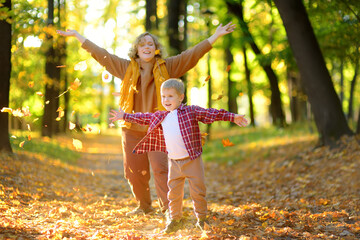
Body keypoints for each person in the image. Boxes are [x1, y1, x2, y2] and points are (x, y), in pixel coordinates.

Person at [56, 22, 236, 217]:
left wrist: (214, 36)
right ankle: (144, 206)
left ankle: (169, 210)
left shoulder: (169, 67)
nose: (147, 47)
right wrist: (77, 36)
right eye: (142, 45)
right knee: (133, 172)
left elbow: (191, 55)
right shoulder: (125, 68)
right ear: (136, 50)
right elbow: (102, 55)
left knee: (161, 170)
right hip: (132, 128)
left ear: (156, 48)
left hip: (160, 129)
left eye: (150, 44)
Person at [109, 79, 248, 233]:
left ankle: (201, 219)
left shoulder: (190, 112)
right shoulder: (160, 116)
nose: (166, 100)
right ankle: (175, 220)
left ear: (181, 97)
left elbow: (211, 113)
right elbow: (143, 117)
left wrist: (232, 116)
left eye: (170, 96)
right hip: (174, 162)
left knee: (198, 191)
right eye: (163, 96)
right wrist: (125, 116)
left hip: (192, 161)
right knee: (173, 193)